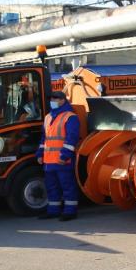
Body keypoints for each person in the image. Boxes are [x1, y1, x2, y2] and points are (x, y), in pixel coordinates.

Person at [36, 91, 80, 221]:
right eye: (51, 98)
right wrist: (39, 154)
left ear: (62, 100)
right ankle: (53, 210)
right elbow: (45, 138)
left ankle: (70, 212)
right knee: (52, 187)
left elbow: (71, 138)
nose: (52, 101)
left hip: (62, 160)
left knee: (67, 186)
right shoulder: (48, 117)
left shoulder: (70, 117)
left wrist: (64, 156)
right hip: (49, 160)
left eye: (55, 98)